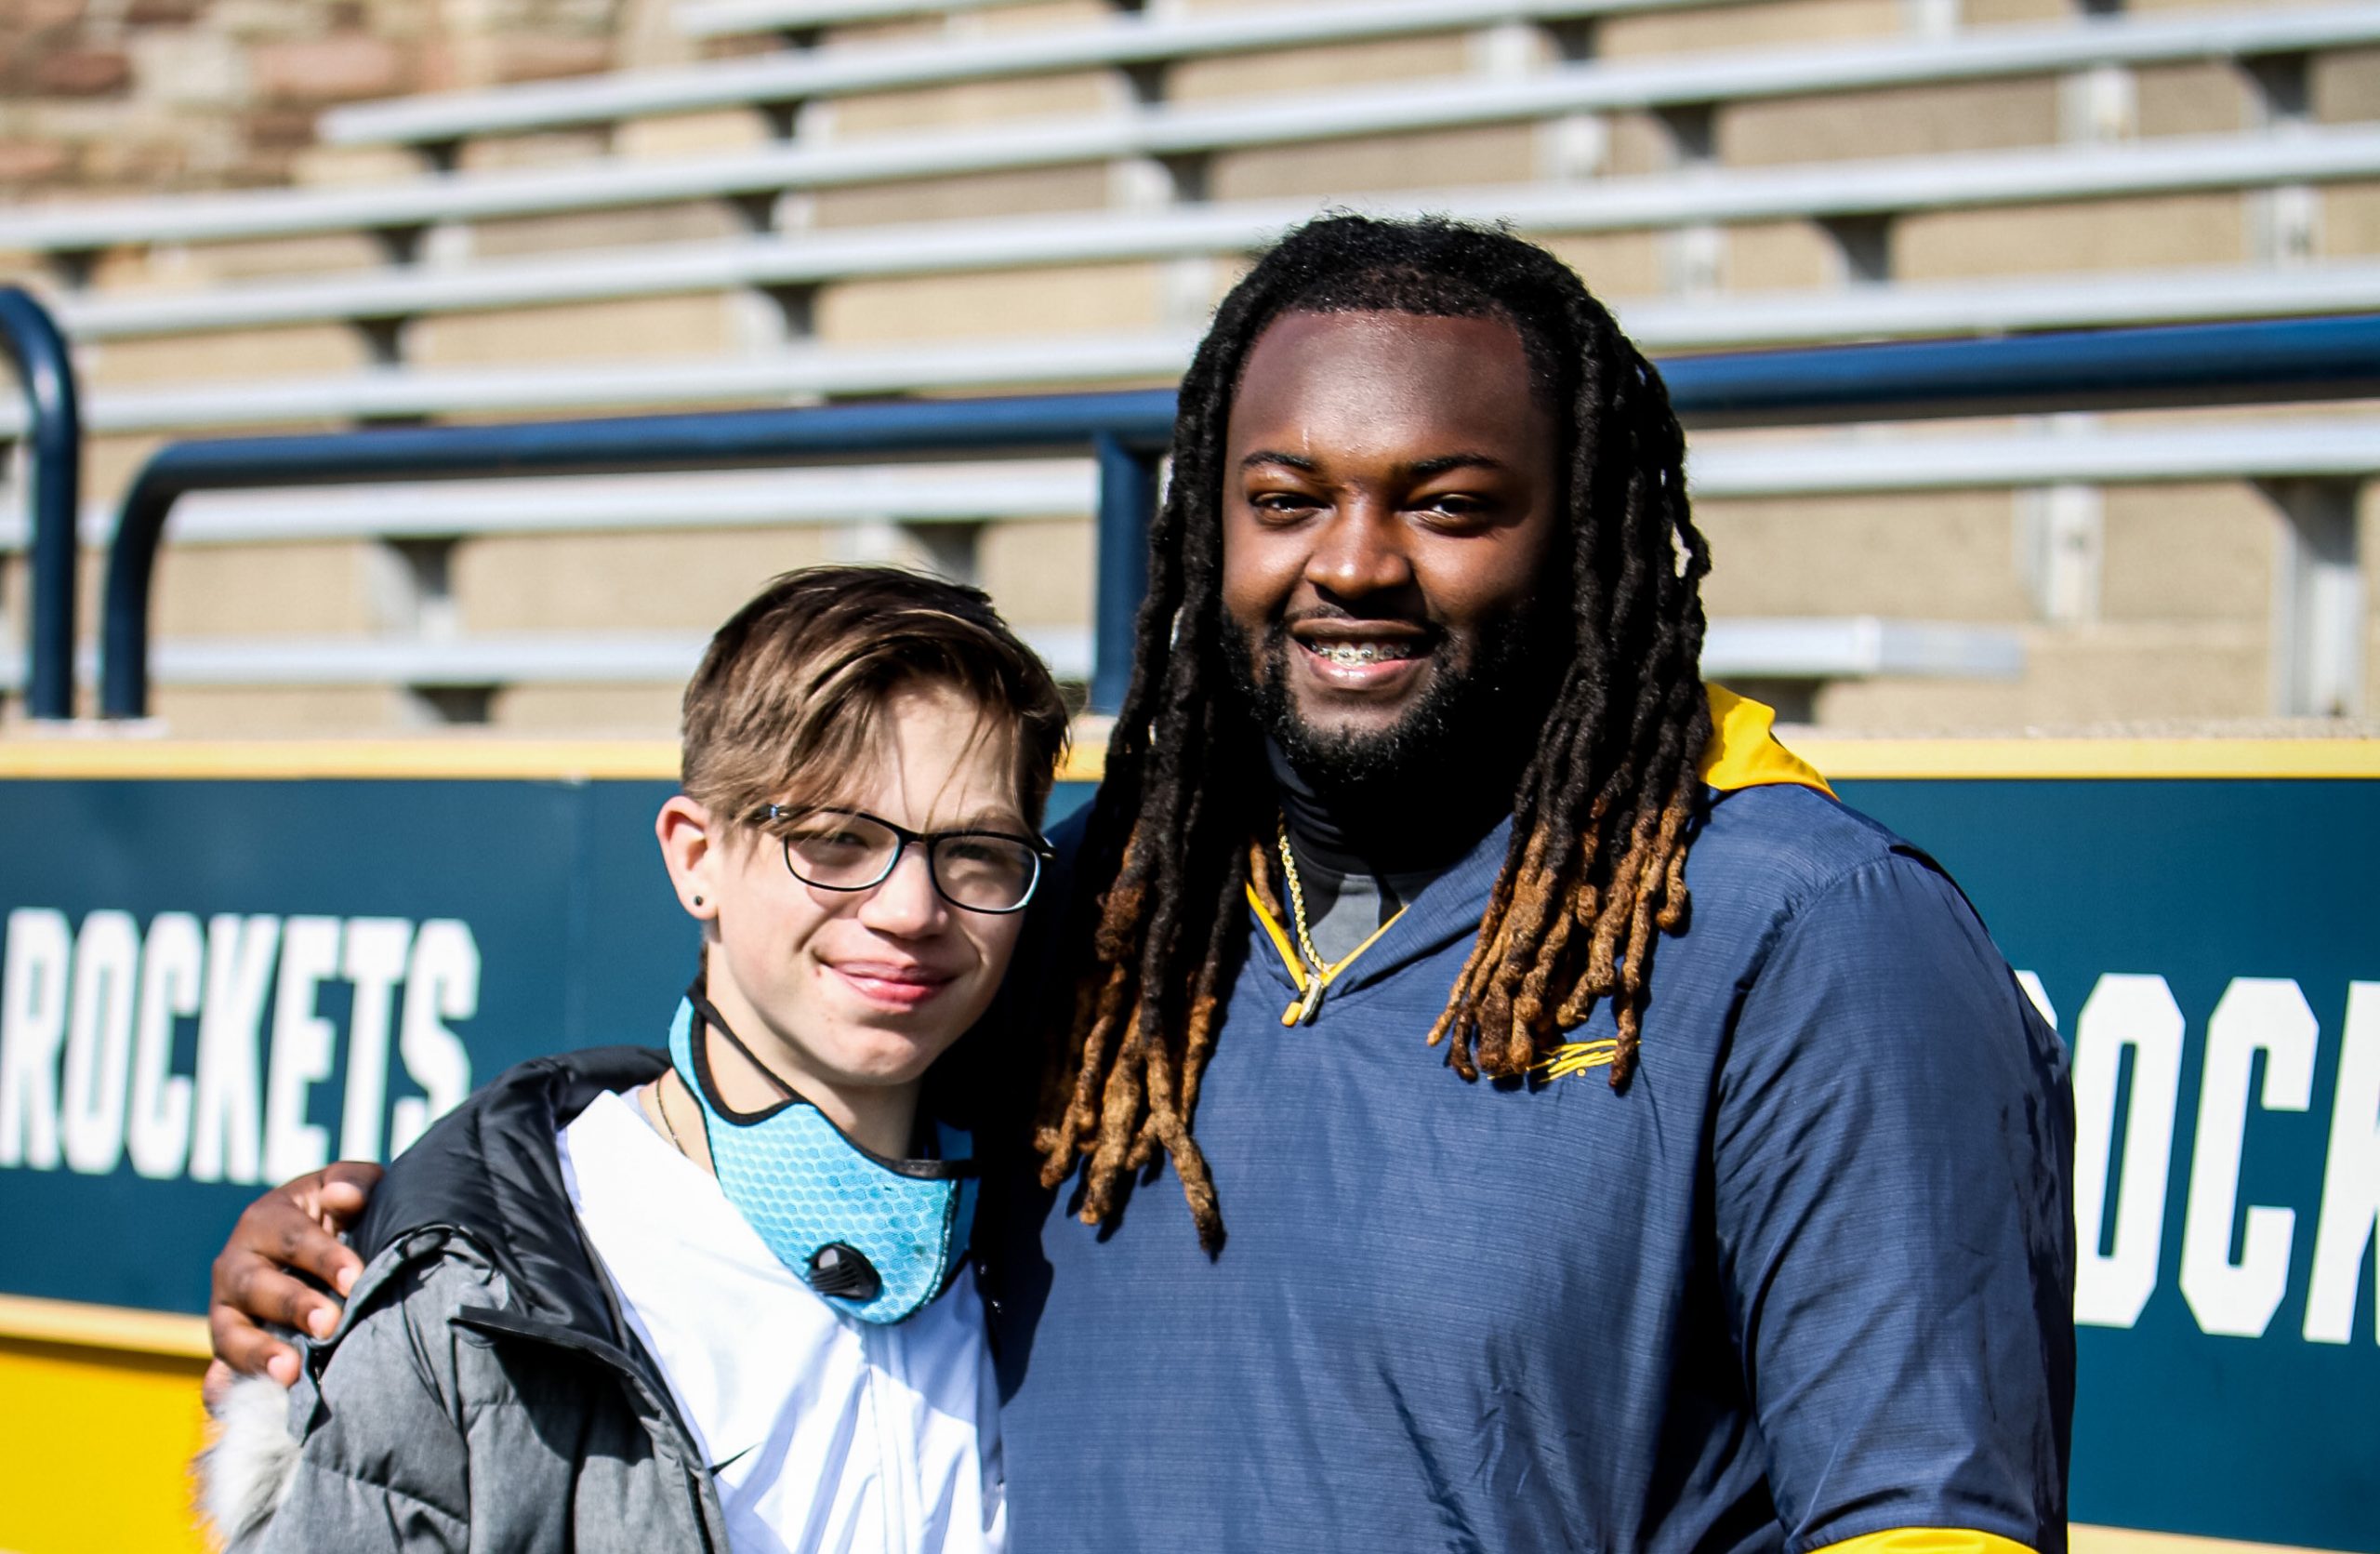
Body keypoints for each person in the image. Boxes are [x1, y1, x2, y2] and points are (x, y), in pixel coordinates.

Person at [205, 216, 2075, 1554]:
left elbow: (1924, 1510)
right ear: (1207, 530)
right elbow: (781, 1109)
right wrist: (409, 1229)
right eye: (1284, 497)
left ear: (1577, 541)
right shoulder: (1108, 896)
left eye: (1447, 502)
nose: (1353, 562)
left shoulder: (1794, 919)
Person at [198, 566, 1068, 1552]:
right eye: (835, 841)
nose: (911, 910)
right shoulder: (472, 1300)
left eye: (978, 852)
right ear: (695, 857)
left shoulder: (1064, 1226)